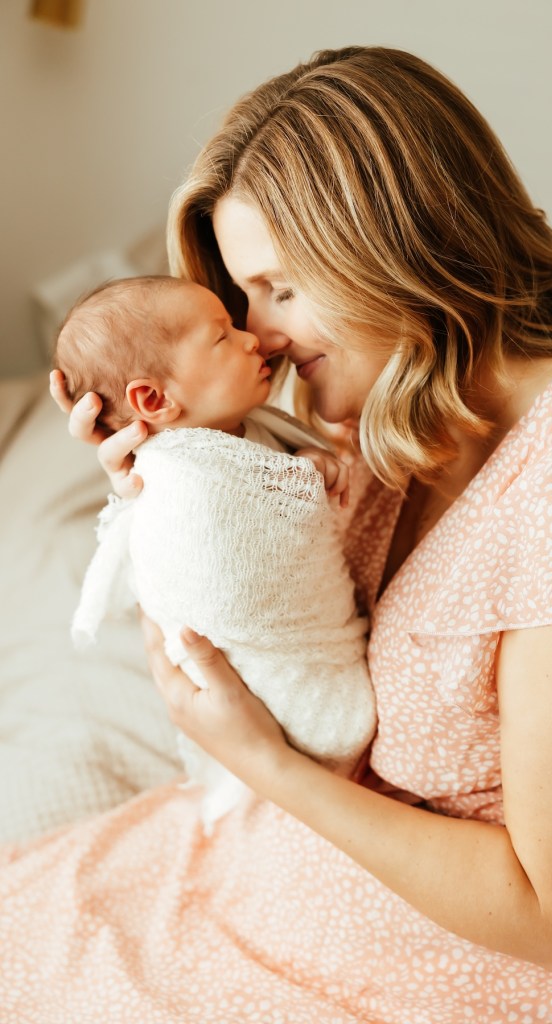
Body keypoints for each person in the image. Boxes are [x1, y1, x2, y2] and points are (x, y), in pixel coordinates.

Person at [3, 44, 552, 1023]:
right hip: (252, 889)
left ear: (395, 243)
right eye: (244, 300)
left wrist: (268, 768)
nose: (264, 334)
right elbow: (264, 628)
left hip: (405, 982)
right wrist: (169, 489)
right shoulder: (383, 417)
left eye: (278, 287)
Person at [55, 274, 376, 832]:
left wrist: (302, 461)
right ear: (152, 399)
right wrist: (299, 480)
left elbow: (273, 471)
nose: (253, 336)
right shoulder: (183, 484)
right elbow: (222, 587)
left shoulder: (241, 430)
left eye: (282, 291)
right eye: (223, 336)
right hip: (287, 688)